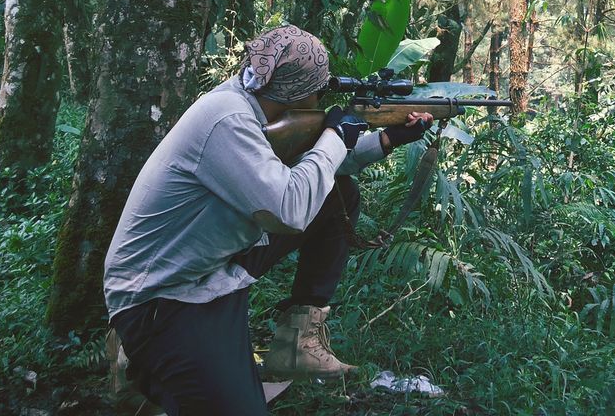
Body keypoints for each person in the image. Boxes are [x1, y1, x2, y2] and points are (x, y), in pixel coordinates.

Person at [102, 24, 431, 415]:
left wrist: (387, 139)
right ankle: (140, 357)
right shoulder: (227, 121)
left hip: (208, 267)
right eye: (319, 90)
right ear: (299, 92)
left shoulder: (244, 103)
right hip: (163, 295)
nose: (320, 98)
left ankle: (296, 344)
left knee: (336, 194)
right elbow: (288, 211)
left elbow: (315, 171)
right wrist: (332, 136)